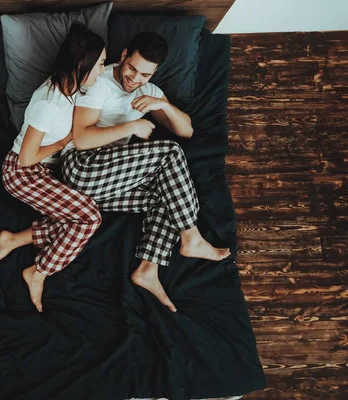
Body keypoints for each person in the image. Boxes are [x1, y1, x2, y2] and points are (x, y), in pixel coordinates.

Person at [62, 32, 231, 313]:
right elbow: (81, 139)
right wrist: (130, 127)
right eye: (131, 68)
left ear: (154, 72)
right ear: (124, 54)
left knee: (167, 195)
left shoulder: (148, 90)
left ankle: (148, 269)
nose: (134, 79)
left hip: (109, 183)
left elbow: (186, 130)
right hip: (82, 169)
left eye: (144, 74)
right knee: (170, 153)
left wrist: (163, 105)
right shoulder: (99, 82)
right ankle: (191, 236)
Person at [0, 23, 107, 313]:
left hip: (42, 170)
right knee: (89, 218)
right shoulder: (49, 104)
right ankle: (39, 271)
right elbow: (27, 158)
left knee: (76, 218)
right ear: (84, 64)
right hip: (21, 173)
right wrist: (65, 141)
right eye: (101, 64)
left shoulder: (74, 88)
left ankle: (14, 239)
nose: (103, 70)